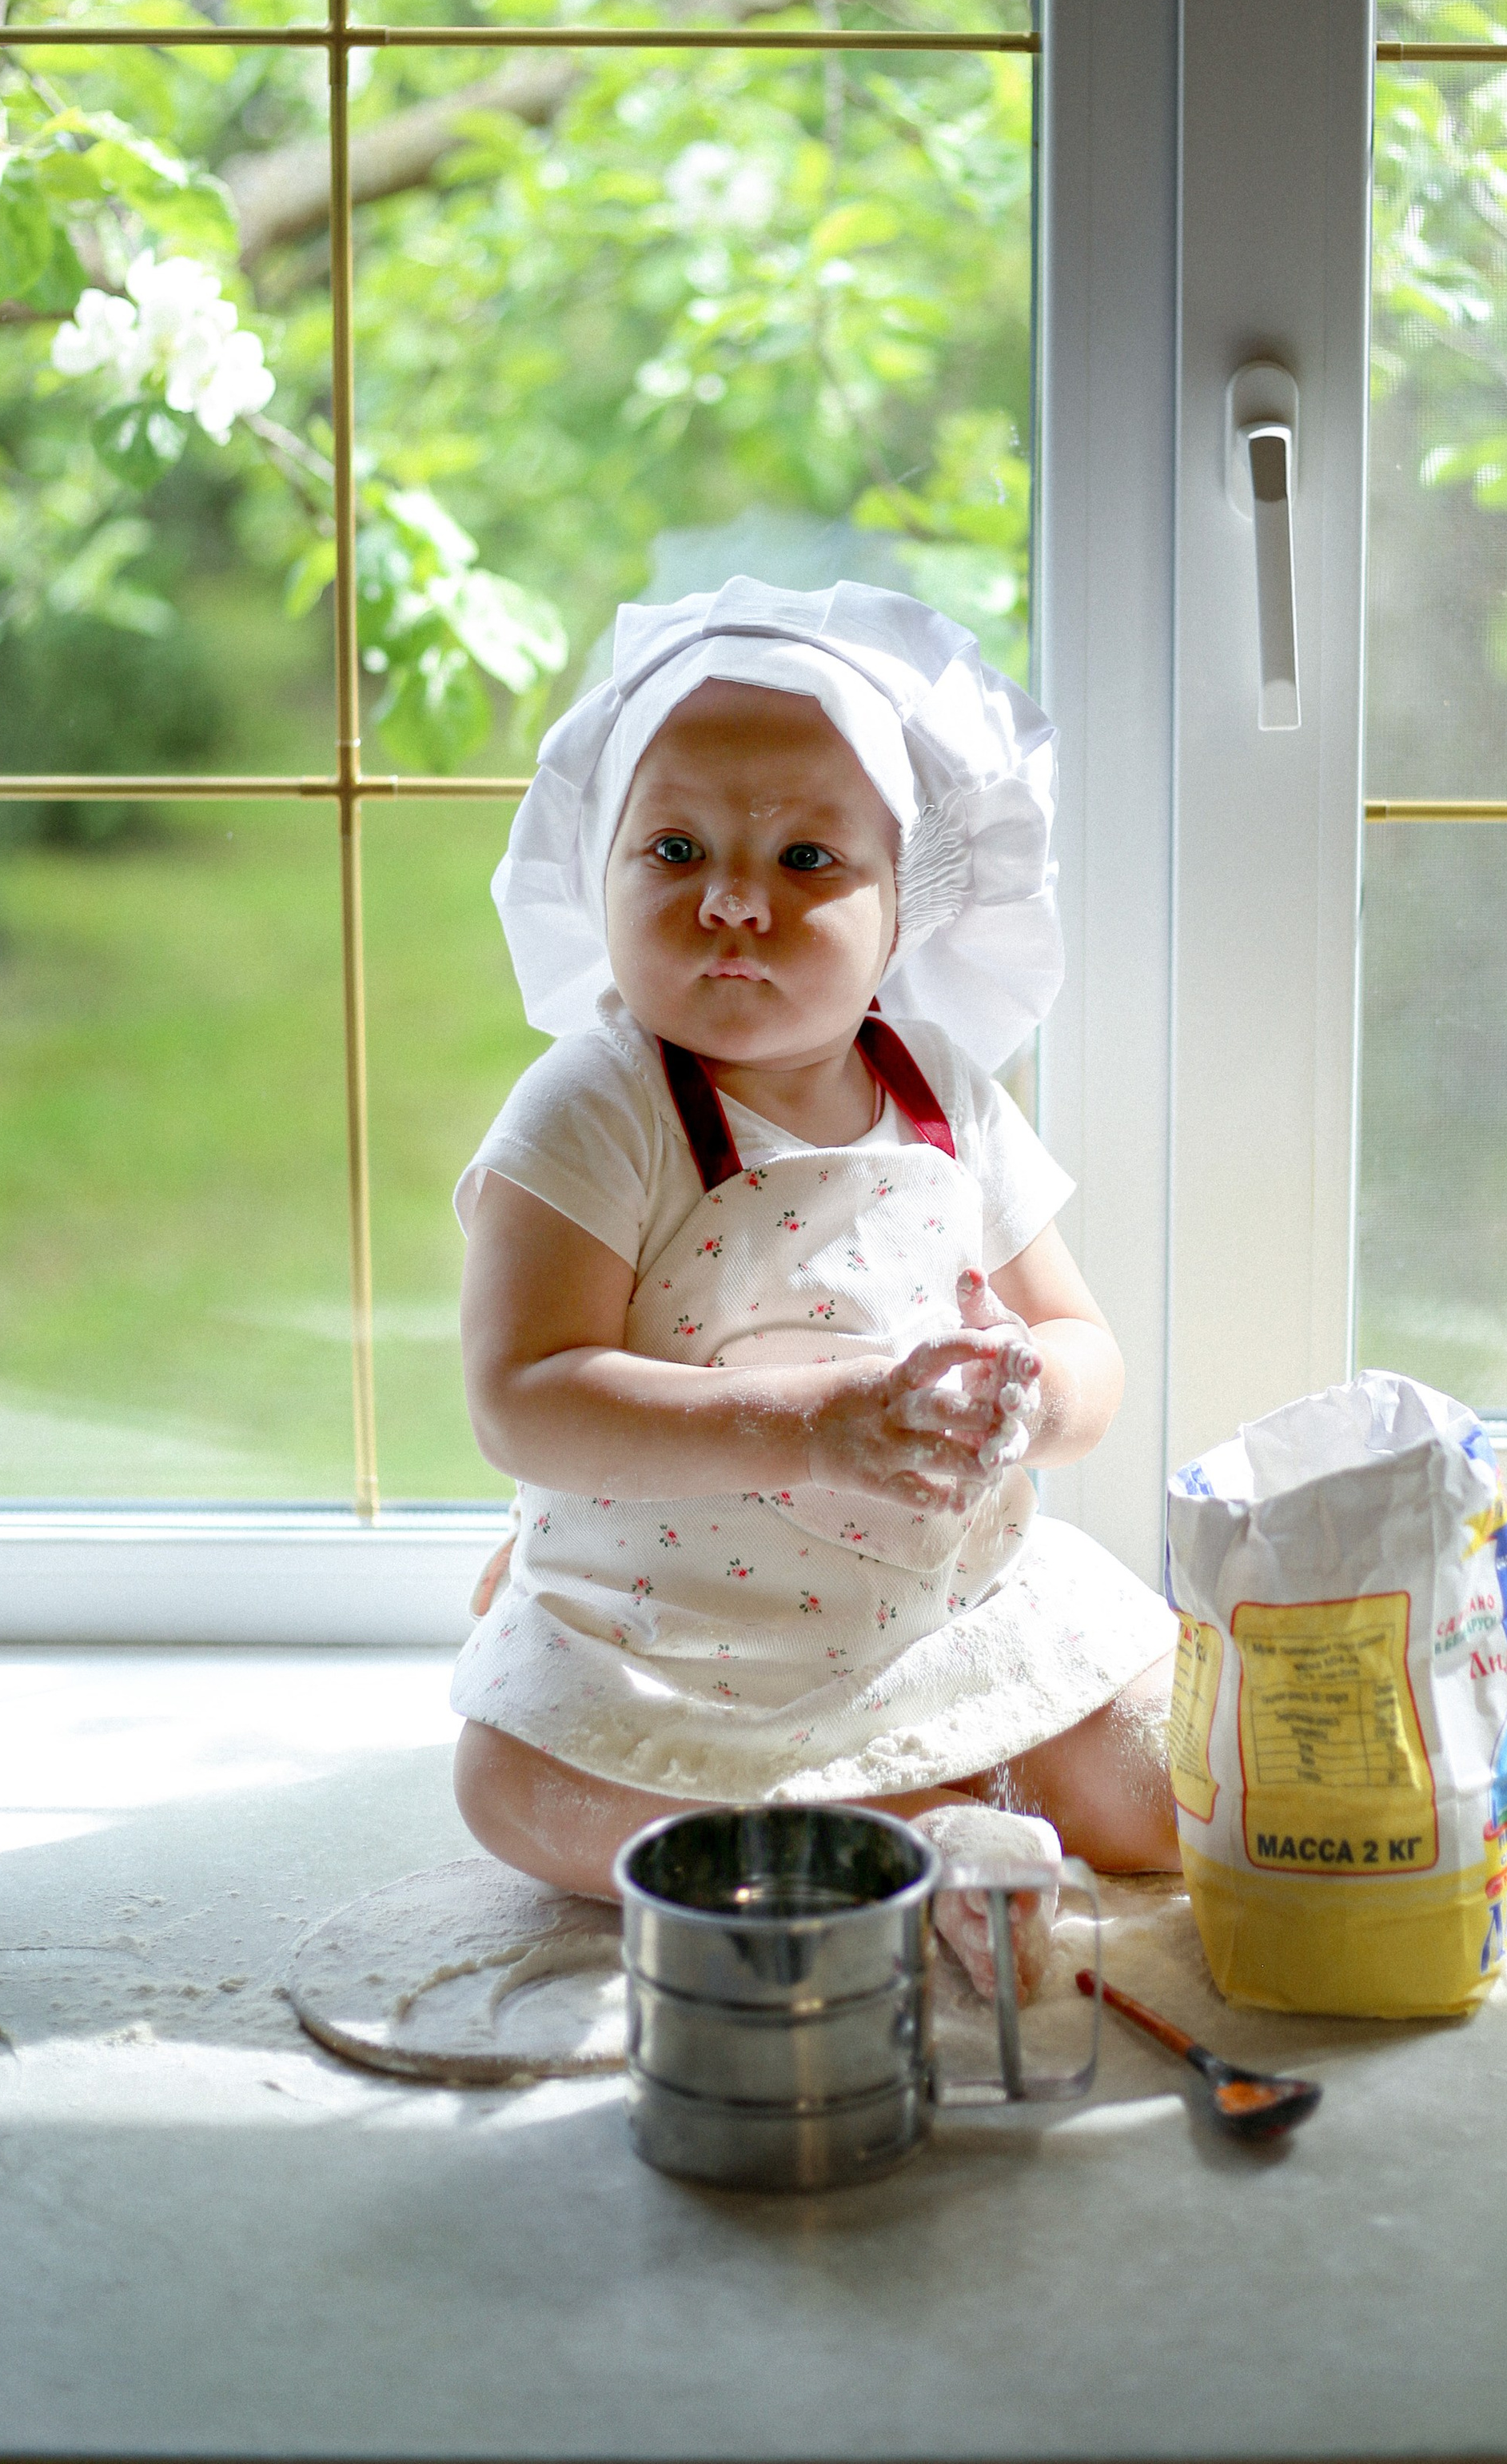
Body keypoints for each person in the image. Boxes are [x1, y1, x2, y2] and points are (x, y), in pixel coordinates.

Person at [450, 577, 1180, 1996]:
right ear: (596, 874)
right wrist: (818, 1424)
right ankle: (920, 1841)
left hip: (944, 1607)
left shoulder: (945, 1096)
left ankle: (915, 1828)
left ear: (911, 907)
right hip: (671, 1637)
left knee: (1166, 1800)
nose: (732, 898)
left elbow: (1082, 1341)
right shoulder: (596, 1110)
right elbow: (522, 1401)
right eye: (674, 847)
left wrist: (1036, 1401)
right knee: (509, 1786)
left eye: (804, 859)